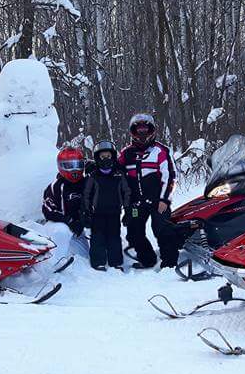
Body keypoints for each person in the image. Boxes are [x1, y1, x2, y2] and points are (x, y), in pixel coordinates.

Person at [118, 112, 179, 269]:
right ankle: (147, 259)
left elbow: (171, 177)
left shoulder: (161, 151)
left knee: (162, 229)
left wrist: (165, 200)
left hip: (157, 201)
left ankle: (170, 263)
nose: (142, 133)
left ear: (151, 130)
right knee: (133, 231)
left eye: (145, 129)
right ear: (133, 131)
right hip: (136, 203)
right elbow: (115, 171)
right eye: (139, 130)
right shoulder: (126, 153)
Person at [83, 140, 131, 271]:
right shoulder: (93, 175)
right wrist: (86, 212)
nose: (105, 159)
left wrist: (128, 211)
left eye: (108, 156)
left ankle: (116, 262)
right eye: (102, 156)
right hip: (97, 213)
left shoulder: (119, 174)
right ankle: (98, 262)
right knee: (97, 237)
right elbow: (86, 194)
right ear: (97, 157)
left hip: (114, 213)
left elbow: (127, 192)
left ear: (113, 157)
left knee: (114, 237)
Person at [42, 146, 86, 235]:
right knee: (61, 232)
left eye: (78, 165)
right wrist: (69, 221)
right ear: (61, 166)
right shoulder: (55, 187)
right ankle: (57, 248)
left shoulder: (87, 184)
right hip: (59, 226)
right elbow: (48, 211)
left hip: (77, 228)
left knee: (85, 249)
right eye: (70, 166)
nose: (75, 169)